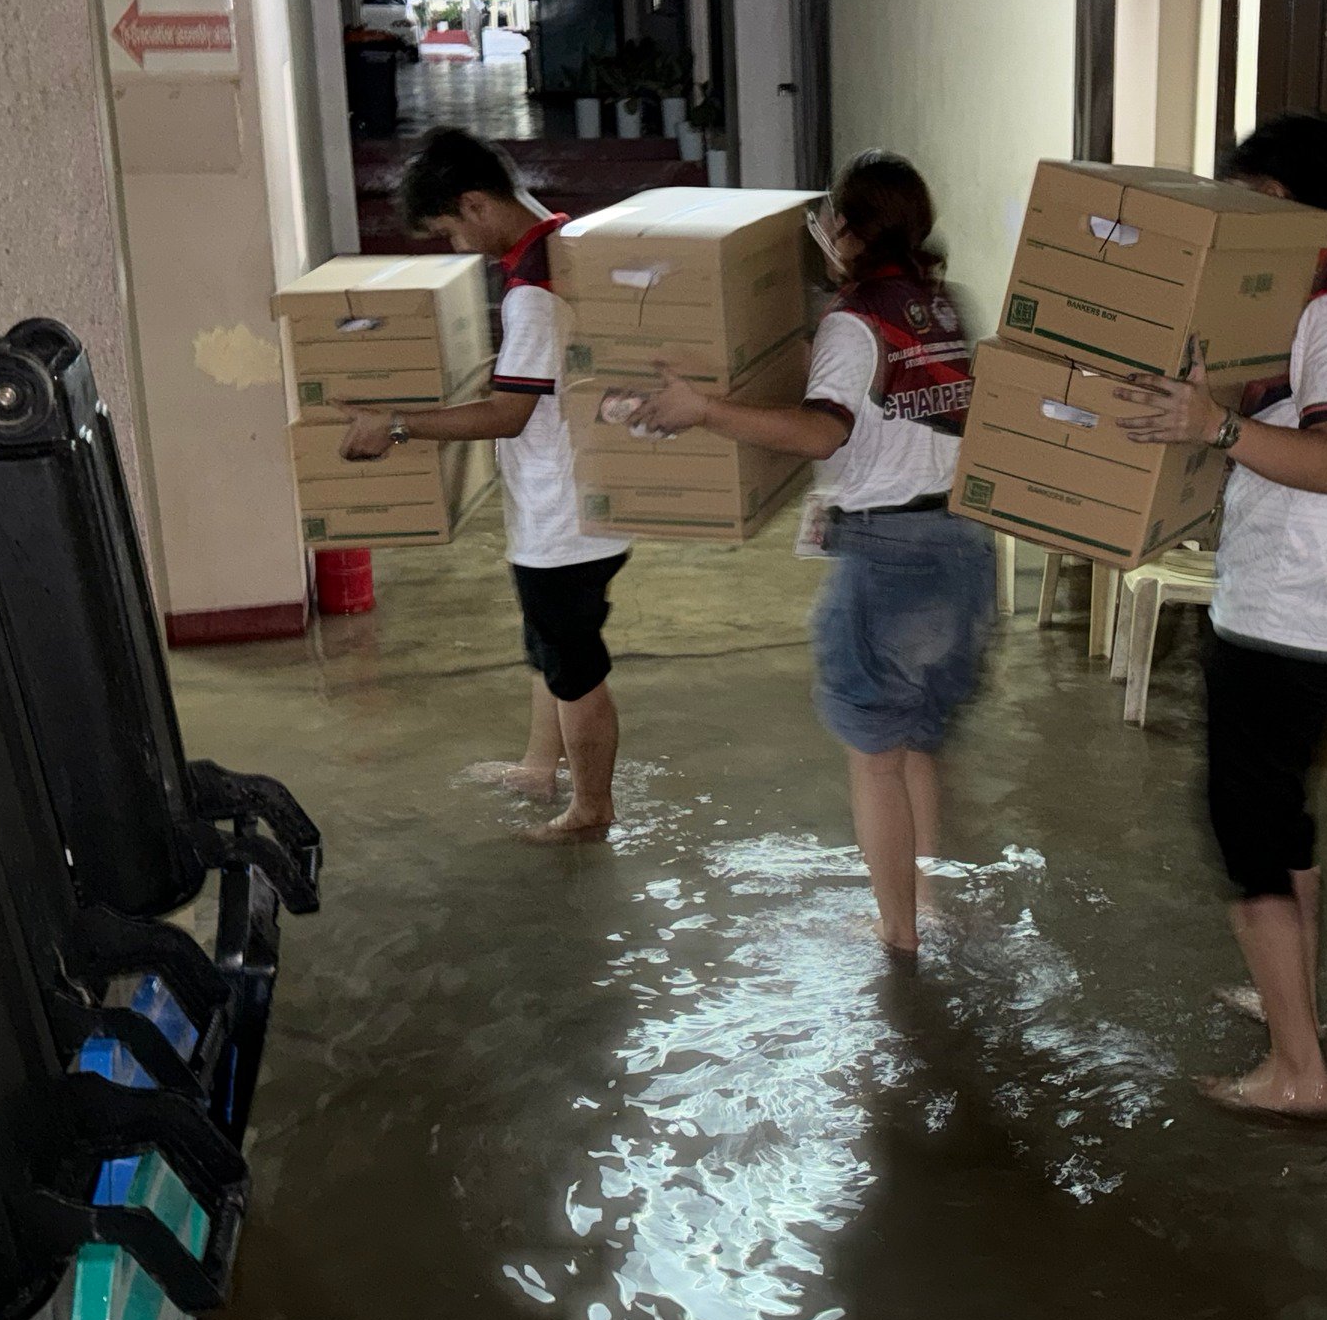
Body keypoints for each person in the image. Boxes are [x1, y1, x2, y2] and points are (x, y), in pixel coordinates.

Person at [1118, 112, 1327, 1118]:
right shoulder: (1312, 297)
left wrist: (1216, 426)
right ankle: (1292, 1008)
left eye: (1248, 199)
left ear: (1291, 203)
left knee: (1245, 832)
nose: (1234, 218)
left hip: (1295, 606)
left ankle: (1297, 1073)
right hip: (1304, 595)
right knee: (1279, 813)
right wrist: (1215, 412)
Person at [632, 150, 993, 955]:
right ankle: (926, 903)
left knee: (875, 756)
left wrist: (704, 411)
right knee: (916, 744)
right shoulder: (940, 306)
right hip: (962, 547)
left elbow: (822, 430)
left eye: (832, 216)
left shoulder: (854, 319)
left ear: (855, 229)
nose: (823, 229)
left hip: (889, 557)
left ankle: (898, 932)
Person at [338, 129, 633, 843]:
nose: (455, 246)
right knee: (547, 645)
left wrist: (397, 426)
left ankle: (592, 809)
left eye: (449, 230)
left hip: (565, 512)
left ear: (475, 204)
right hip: (574, 495)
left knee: (574, 665)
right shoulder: (563, 244)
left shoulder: (534, 292)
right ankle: (540, 766)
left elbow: (508, 413)